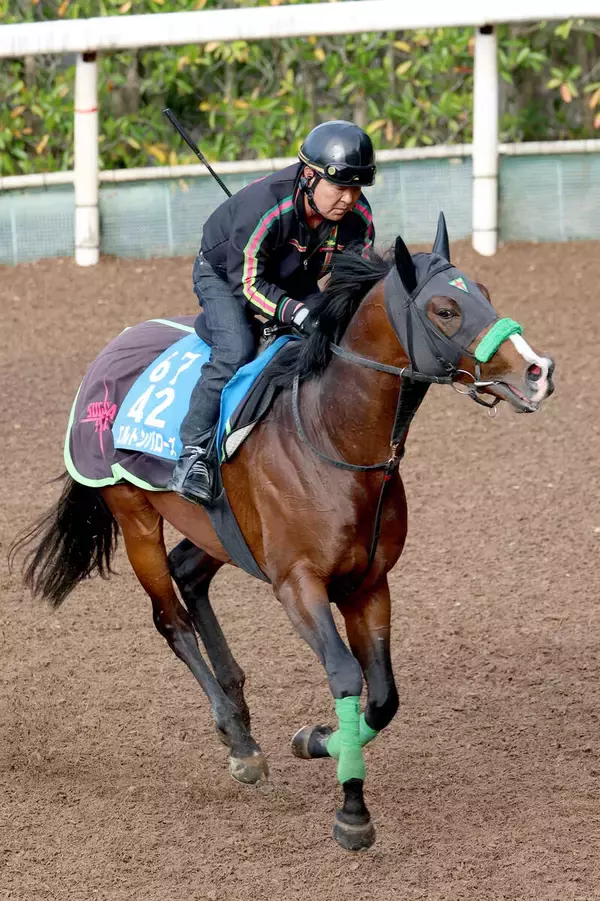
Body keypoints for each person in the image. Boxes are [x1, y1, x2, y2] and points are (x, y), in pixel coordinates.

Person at [168, 119, 377, 506]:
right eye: (339, 186)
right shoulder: (264, 207)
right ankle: (192, 455)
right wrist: (298, 315)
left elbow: (354, 284)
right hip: (224, 275)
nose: (348, 199)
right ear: (309, 177)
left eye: (356, 188)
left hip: (293, 274)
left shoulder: (358, 220)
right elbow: (247, 284)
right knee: (236, 347)